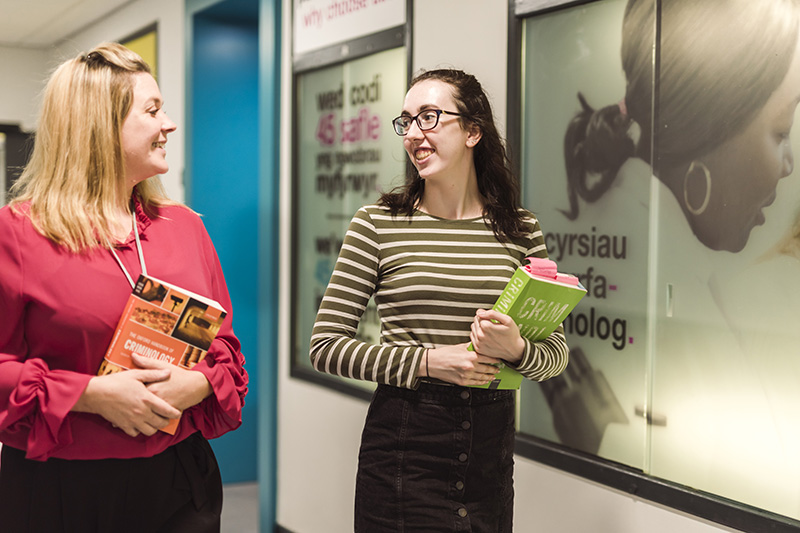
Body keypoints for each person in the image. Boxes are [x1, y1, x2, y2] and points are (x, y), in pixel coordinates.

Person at [553, 0, 800, 515]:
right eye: (780, 133)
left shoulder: (649, 235)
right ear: (707, 134)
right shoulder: (668, 282)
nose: (789, 165)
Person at [0, 42, 248, 532]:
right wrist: (89, 394)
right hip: (63, 489)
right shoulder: (19, 232)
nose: (169, 124)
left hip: (179, 478)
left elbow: (226, 352)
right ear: (99, 126)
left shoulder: (185, 227)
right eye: (152, 110)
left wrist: (196, 383)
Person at [310, 68, 569, 532]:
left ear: (473, 130)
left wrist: (516, 349)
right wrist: (430, 362)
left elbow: (555, 356)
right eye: (406, 121)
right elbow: (326, 346)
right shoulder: (378, 224)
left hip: (489, 450)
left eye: (429, 118)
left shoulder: (520, 230)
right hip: (404, 445)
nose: (413, 134)